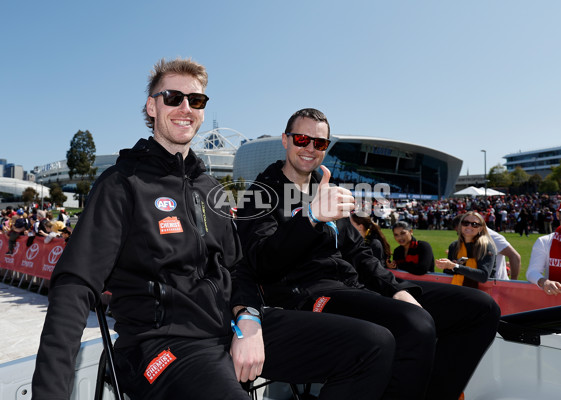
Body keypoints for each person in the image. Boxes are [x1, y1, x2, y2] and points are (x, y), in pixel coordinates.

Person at [32, 59, 396, 400]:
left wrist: (248, 319)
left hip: (230, 328)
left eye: (196, 99)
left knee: (373, 344)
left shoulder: (210, 189)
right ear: (151, 107)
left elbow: (240, 268)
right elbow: (75, 286)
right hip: (163, 345)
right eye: (173, 97)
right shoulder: (121, 184)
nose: (185, 107)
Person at [236, 108, 500, 400]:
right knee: (415, 324)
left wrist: (395, 288)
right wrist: (310, 218)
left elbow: (358, 252)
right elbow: (261, 263)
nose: (310, 148)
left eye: (320, 143)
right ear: (285, 140)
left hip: (354, 289)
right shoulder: (259, 193)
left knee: (480, 308)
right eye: (302, 139)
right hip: (308, 297)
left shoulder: (326, 192)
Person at [435, 211, 497, 288]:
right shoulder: (454, 246)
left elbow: (483, 276)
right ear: (460, 226)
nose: (469, 226)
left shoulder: (486, 246)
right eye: (465, 223)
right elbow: (448, 272)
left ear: (480, 228)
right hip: (457, 290)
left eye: (474, 224)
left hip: (482, 293)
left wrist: (455, 266)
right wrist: (445, 265)